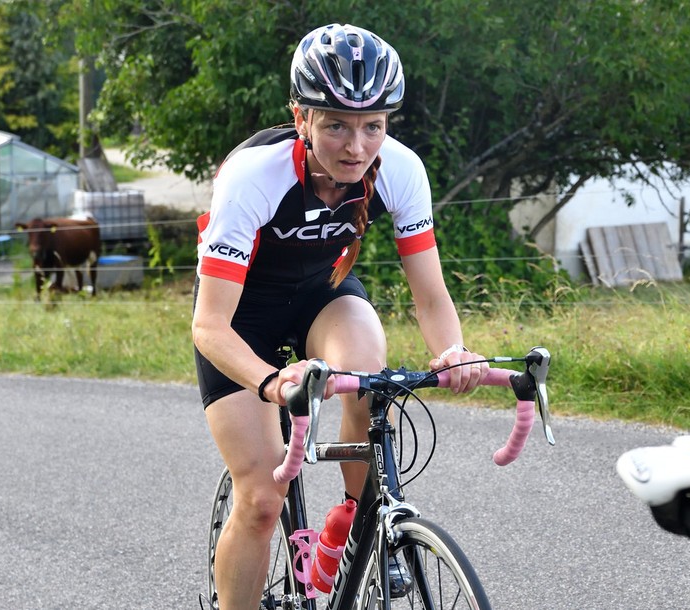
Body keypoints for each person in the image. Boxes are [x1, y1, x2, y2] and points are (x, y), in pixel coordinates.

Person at [191, 23, 489, 610]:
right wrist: (273, 381)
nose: (356, 146)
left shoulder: (401, 169)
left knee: (367, 376)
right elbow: (209, 326)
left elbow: (430, 295)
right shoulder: (254, 176)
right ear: (301, 118)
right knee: (260, 499)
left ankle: (366, 531)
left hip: (322, 294)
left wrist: (453, 349)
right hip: (240, 317)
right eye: (335, 126)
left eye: (372, 126)